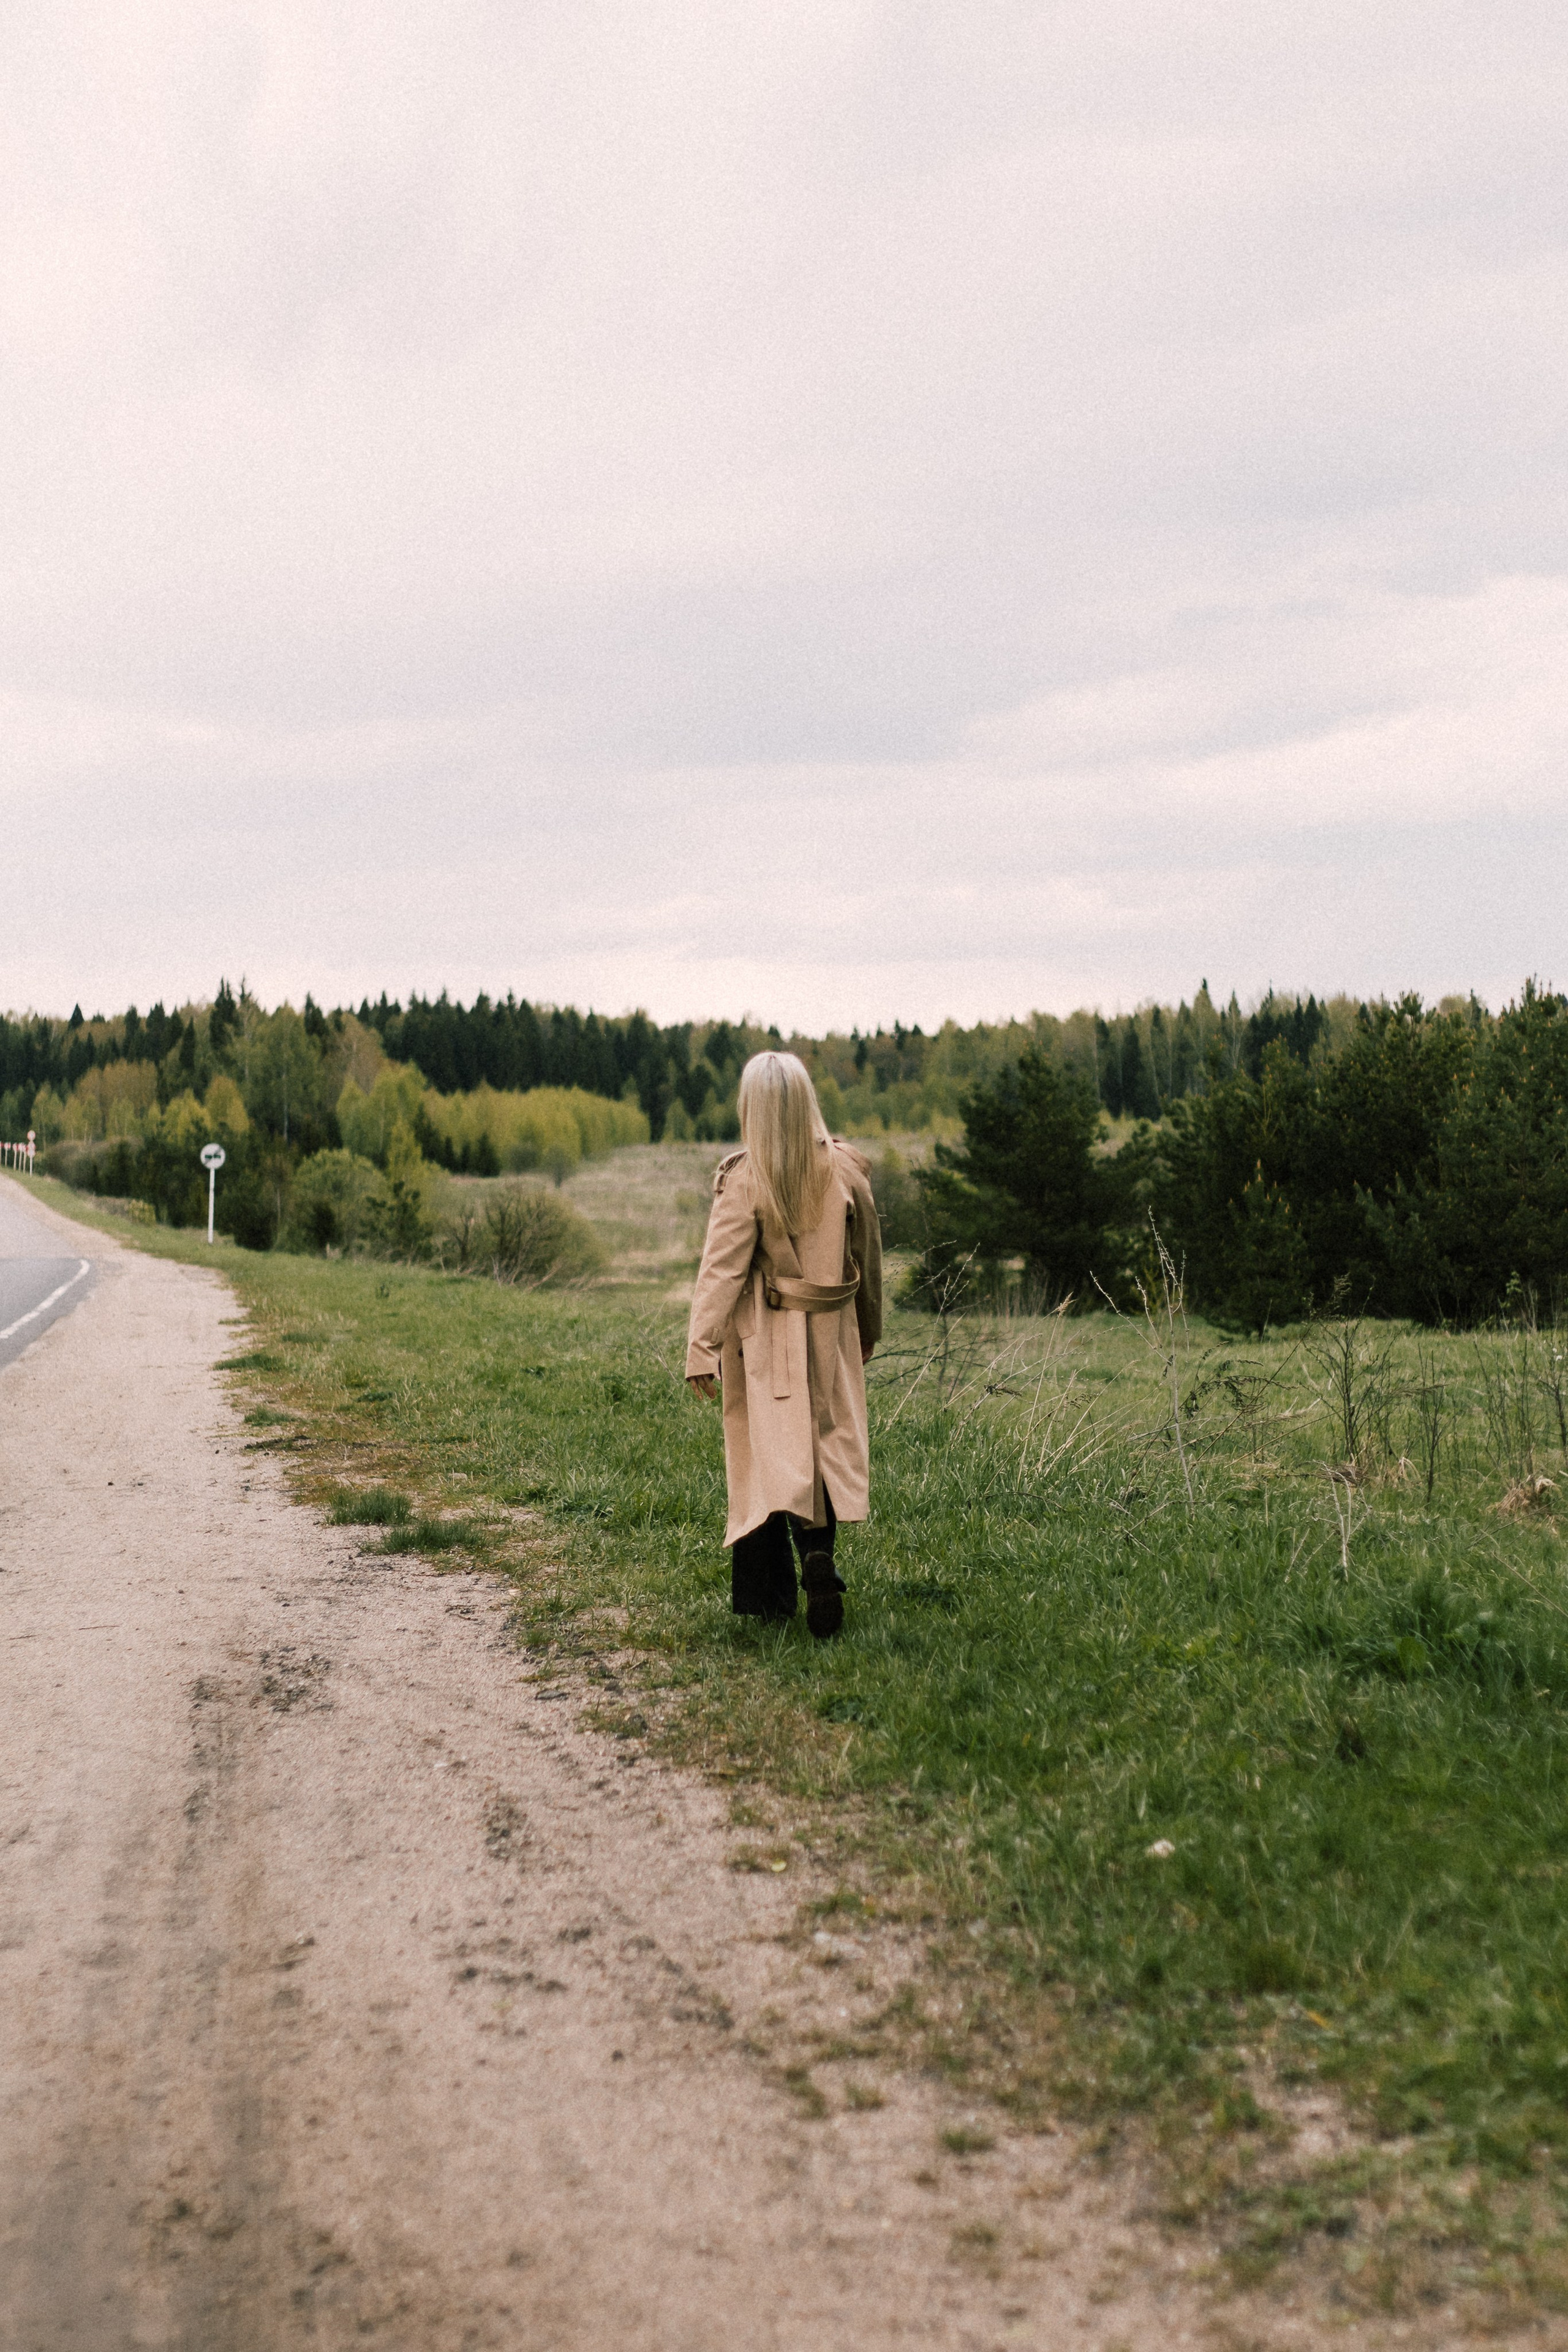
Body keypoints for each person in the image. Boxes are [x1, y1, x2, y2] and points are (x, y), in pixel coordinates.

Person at [685, 1052, 883, 1639]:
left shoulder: (747, 1179)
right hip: (832, 1331)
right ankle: (818, 1554)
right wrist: (868, 1328)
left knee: (769, 1458)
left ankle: (770, 1596)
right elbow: (867, 1262)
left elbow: (720, 1271)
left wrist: (701, 1347)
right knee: (822, 1446)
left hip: (765, 1341)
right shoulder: (847, 1171)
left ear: (754, 1108)